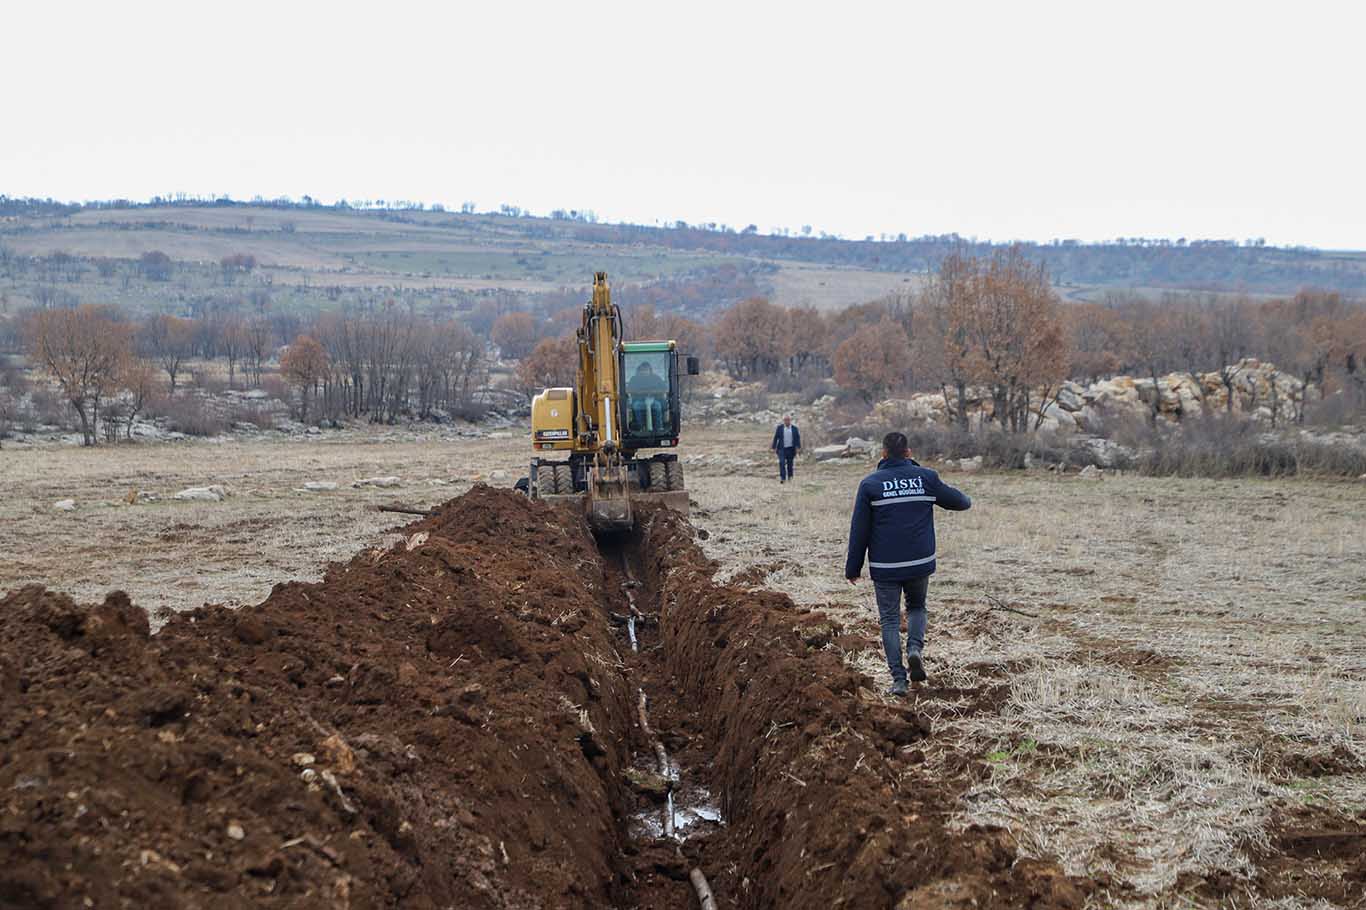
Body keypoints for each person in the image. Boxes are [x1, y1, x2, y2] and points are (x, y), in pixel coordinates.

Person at [844, 431, 972, 696]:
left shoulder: (870, 484)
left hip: (885, 566)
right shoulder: (926, 478)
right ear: (909, 453)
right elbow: (960, 502)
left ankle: (899, 680)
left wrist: (853, 568)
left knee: (889, 620)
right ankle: (915, 648)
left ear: (883, 454)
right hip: (919, 562)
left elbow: (860, 530)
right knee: (917, 607)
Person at [627, 361, 668, 432]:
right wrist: (638, 393)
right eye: (642, 370)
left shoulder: (656, 378)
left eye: (646, 370)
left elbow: (664, 388)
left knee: (657, 406)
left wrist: (654, 392)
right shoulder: (634, 379)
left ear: (650, 370)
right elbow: (629, 389)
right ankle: (641, 427)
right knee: (637, 406)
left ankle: (659, 427)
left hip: (654, 400)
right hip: (639, 400)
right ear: (639, 371)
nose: (644, 372)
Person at [770, 414, 801, 483]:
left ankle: (790, 476)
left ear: (790, 420)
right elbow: (776, 438)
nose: (787, 421)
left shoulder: (794, 429)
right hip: (781, 449)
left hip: (791, 449)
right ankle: (783, 478)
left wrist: (798, 447)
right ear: (783, 421)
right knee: (782, 462)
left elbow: (797, 439)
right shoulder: (780, 428)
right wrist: (773, 447)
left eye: (788, 420)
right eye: (785, 420)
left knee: (790, 464)